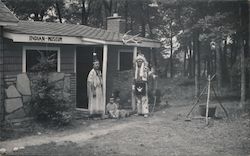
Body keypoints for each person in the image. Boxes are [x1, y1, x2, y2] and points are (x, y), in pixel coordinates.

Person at [133, 52, 155, 118]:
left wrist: (152, 74)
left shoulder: (145, 68)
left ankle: (145, 112)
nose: (139, 62)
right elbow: (133, 78)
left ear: (143, 61)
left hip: (143, 83)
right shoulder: (135, 69)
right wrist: (133, 86)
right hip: (137, 84)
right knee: (138, 99)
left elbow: (149, 74)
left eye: (141, 61)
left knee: (144, 98)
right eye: (138, 61)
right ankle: (139, 112)